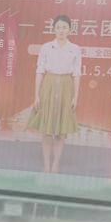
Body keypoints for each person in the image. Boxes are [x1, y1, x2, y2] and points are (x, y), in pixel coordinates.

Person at [27, 14, 81, 174]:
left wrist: (75, 97)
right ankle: (46, 165)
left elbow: (77, 74)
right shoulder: (46, 47)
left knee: (60, 131)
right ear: (54, 29)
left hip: (66, 87)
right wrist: (36, 95)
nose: (61, 30)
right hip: (48, 86)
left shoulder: (75, 49)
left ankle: (56, 164)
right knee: (46, 130)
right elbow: (39, 71)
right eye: (58, 27)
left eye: (64, 27)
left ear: (70, 30)